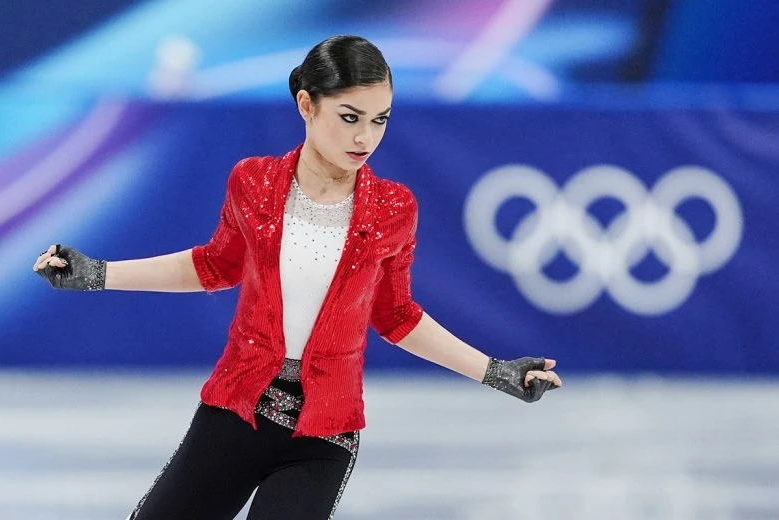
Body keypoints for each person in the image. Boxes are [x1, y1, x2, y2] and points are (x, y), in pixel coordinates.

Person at [32, 35, 562, 520]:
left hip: (323, 433)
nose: (365, 137)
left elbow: (397, 316)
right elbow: (214, 265)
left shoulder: (394, 208)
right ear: (307, 105)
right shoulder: (253, 182)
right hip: (234, 412)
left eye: (380, 120)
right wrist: (96, 274)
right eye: (350, 117)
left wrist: (495, 372)